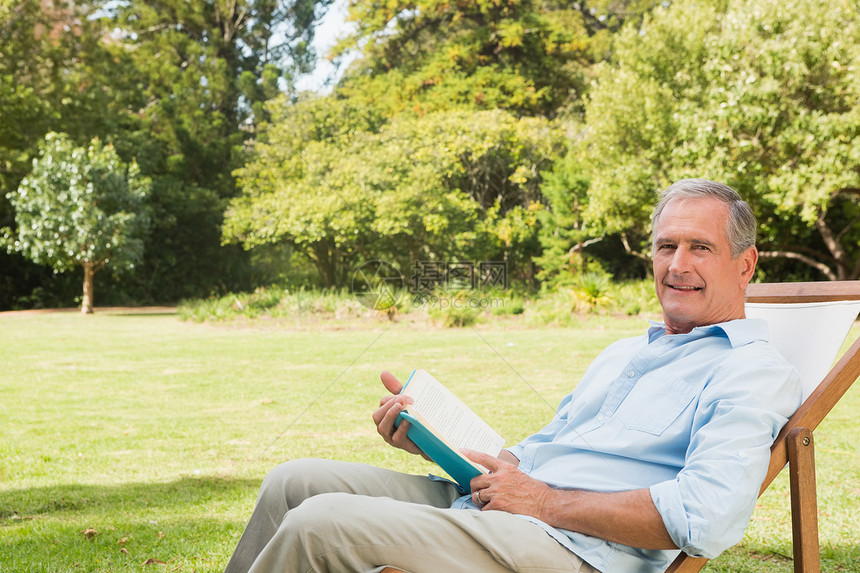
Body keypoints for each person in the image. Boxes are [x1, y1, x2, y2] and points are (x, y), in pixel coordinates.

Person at [224, 179, 801, 573]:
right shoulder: (628, 351)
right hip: (504, 506)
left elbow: (708, 517)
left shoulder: (750, 371)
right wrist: (440, 442)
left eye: (700, 247)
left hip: (573, 550)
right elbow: (538, 455)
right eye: (666, 246)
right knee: (293, 483)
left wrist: (546, 504)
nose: (677, 265)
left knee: (323, 523)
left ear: (744, 264)